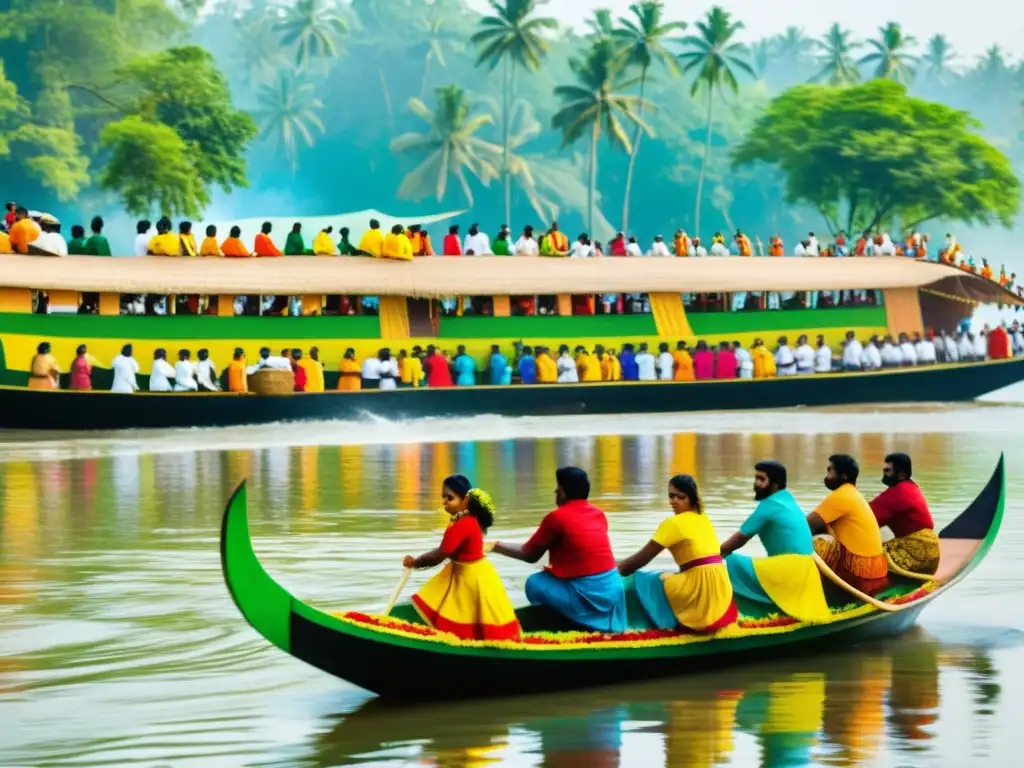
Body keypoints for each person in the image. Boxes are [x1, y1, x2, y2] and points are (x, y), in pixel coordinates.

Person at [492, 467, 626, 632]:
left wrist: (495, 546)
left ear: (563, 492)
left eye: (558, 487)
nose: (555, 490)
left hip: (589, 594)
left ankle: (570, 622)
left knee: (534, 582)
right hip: (614, 590)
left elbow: (529, 554)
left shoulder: (556, 517)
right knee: (551, 578)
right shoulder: (599, 514)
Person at [404, 475, 520, 641]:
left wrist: (416, 562)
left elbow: (441, 553)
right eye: (443, 497)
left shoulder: (465, 523)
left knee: (481, 623)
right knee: (467, 616)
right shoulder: (459, 520)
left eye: (449, 498)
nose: (444, 502)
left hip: (474, 578)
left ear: (465, 499)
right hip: (465, 575)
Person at [618, 475, 737, 632]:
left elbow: (638, 561)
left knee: (641, 580)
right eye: (671, 496)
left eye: (681, 497)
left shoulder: (672, 524)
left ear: (692, 499)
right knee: (667, 576)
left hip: (700, 588)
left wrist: (609, 573)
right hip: (722, 589)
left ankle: (655, 627)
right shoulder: (703, 518)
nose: (674, 501)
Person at [720, 461, 831, 623]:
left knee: (732, 562)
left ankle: (732, 615)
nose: (756, 484)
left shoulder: (769, 505)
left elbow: (740, 538)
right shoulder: (787, 500)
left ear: (775, 484)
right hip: (807, 569)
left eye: (761, 479)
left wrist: (714, 556)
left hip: (791, 570)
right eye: (756, 478)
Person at [807, 454, 889, 595]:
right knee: (823, 536)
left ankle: (802, 593)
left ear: (844, 476)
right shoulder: (854, 494)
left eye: (830, 471)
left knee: (815, 544)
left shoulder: (842, 496)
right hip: (876, 574)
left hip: (860, 577)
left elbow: (806, 527)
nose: (826, 476)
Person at [869, 453, 940, 575]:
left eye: (888, 471)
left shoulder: (898, 492)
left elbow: (866, 518)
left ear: (901, 474)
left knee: (859, 559)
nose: (884, 474)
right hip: (931, 553)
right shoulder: (911, 487)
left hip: (914, 554)